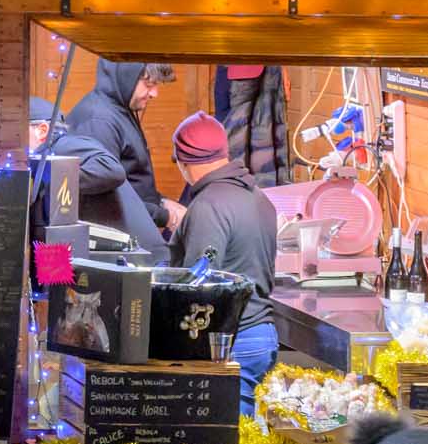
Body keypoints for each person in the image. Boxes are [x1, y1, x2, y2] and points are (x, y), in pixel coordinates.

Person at [166, 110, 280, 409]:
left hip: (231, 342)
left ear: (184, 162)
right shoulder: (258, 197)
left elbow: (198, 287)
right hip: (260, 334)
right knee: (248, 438)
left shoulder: (208, 207)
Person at [52, 60, 175, 248]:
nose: (154, 93)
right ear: (125, 78)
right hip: (114, 246)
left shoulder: (117, 111)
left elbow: (132, 176)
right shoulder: (99, 121)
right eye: (149, 84)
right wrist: (164, 216)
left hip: (127, 239)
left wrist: (161, 203)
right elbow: (107, 197)